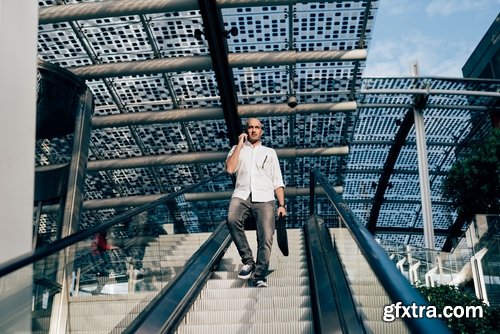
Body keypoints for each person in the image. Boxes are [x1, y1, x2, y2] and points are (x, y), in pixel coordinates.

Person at [225, 118, 286, 288]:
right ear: (246, 130)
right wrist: (239, 144)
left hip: (265, 197)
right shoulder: (237, 149)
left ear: (261, 131)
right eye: (250, 127)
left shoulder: (270, 152)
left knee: (266, 236)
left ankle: (259, 275)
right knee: (231, 219)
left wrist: (282, 205)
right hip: (242, 193)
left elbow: (277, 180)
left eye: (257, 128)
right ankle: (248, 261)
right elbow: (230, 169)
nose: (253, 130)